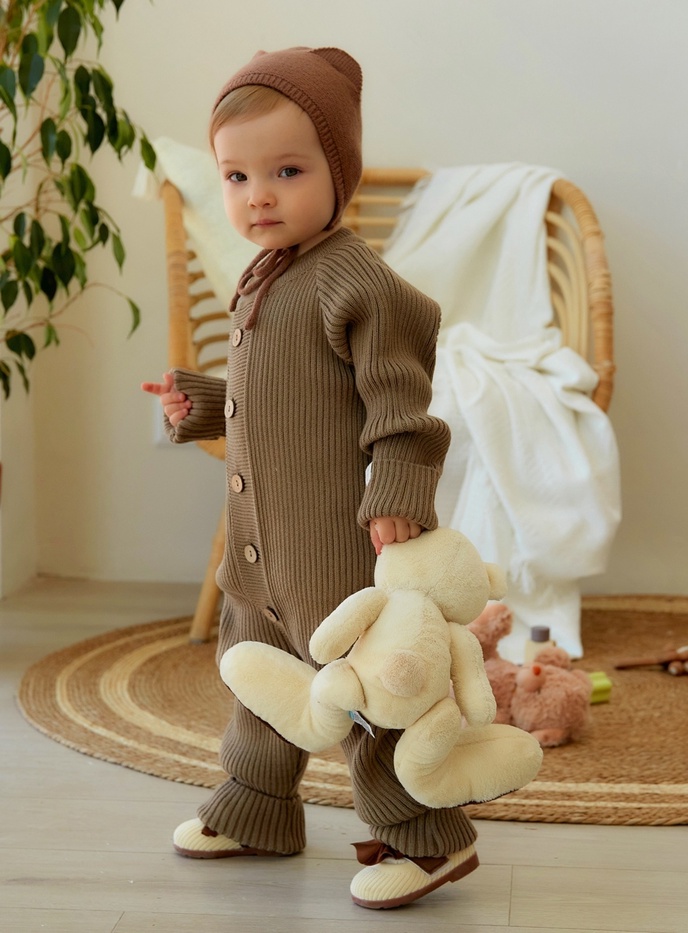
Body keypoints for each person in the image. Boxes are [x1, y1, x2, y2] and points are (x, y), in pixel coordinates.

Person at [142, 46, 479, 910]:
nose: (258, 195)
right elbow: (276, 398)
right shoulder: (264, 276)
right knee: (254, 669)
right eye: (237, 176)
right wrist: (199, 404)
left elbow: (399, 401)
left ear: (339, 172)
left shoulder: (353, 279)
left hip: (332, 543)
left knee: (365, 682)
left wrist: (398, 489)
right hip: (261, 547)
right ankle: (258, 803)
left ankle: (424, 832)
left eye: (287, 171)